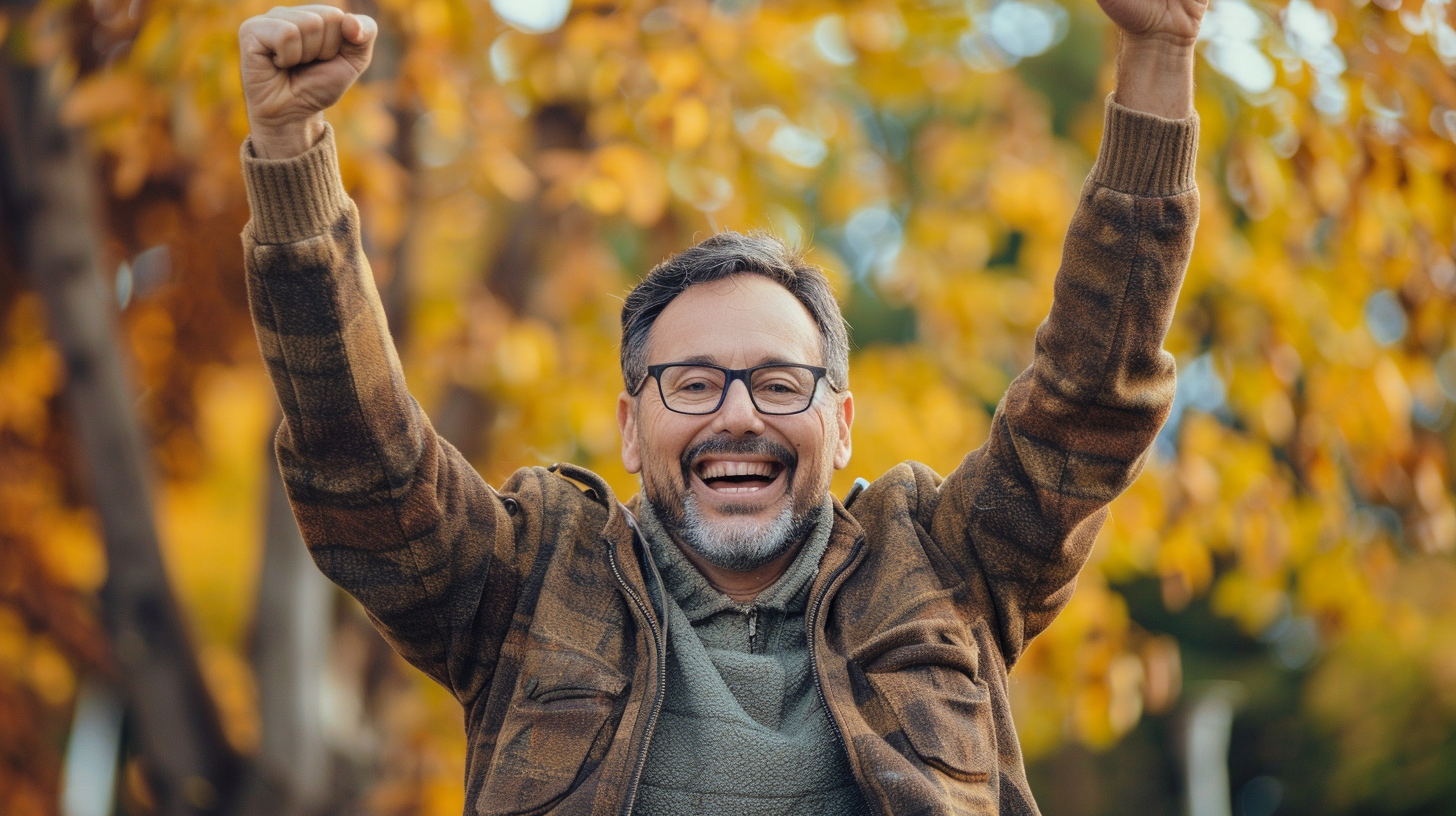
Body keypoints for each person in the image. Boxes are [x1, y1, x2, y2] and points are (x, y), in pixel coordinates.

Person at [238, 0, 1203, 812]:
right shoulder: (525, 581)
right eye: (692, 383)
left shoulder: (947, 566)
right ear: (629, 426)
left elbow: (1088, 401)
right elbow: (364, 466)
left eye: (779, 383)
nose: (736, 416)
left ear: (842, 421)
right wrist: (289, 156)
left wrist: (1158, 58)